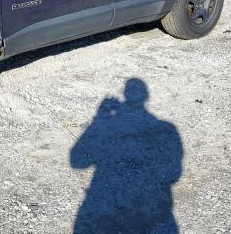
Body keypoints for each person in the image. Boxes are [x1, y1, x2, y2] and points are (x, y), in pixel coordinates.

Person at [70, 78, 183, 233]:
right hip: (150, 215)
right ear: (146, 96)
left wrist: (100, 120)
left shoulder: (109, 127)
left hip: (108, 213)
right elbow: (173, 175)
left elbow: (77, 160)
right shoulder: (167, 130)